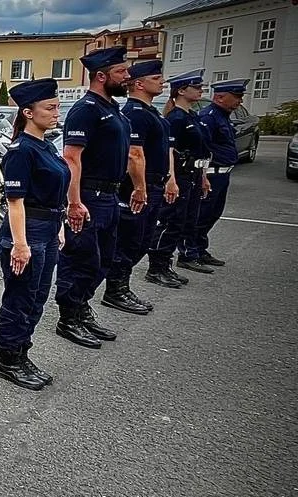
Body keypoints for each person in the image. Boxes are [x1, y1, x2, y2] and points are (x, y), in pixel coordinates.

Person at [55, 46, 133, 350]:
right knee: (81, 258)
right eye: (121, 72)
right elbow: (72, 158)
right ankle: (69, 316)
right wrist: (74, 202)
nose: (127, 76)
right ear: (101, 76)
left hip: (110, 196)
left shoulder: (112, 108)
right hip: (89, 194)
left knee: (103, 258)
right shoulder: (86, 110)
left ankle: (82, 306)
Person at [0, 78, 68, 391]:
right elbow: (15, 202)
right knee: (20, 298)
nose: (56, 112)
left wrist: (60, 226)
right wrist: (21, 244)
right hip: (28, 231)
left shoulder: (46, 145)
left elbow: (56, 192)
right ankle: (8, 359)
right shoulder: (22, 151)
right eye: (49, 107)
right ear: (27, 112)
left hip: (48, 228)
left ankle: (22, 351)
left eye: (56, 106)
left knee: (37, 297)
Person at [102, 59, 179, 315]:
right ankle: (116, 289)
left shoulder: (151, 113)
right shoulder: (135, 113)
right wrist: (140, 187)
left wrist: (169, 178)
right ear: (139, 83)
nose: (162, 82)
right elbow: (134, 154)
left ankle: (121, 286)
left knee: (142, 240)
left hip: (153, 185)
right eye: (156, 79)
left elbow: (164, 150)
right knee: (130, 240)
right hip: (139, 188)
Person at [146, 69, 211, 288]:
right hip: (179, 175)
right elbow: (170, 151)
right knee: (170, 221)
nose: (201, 90)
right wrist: (170, 180)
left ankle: (166, 265)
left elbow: (199, 151)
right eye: (196, 87)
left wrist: (203, 176)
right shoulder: (175, 118)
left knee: (183, 221)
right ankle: (156, 267)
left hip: (192, 174)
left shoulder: (191, 116)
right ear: (182, 91)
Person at [183, 78, 247, 272]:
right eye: (236, 96)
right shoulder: (209, 116)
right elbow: (201, 148)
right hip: (210, 173)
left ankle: (200, 249)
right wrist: (202, 175)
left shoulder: (223, 116)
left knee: (212, 215)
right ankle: (188, 253)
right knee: (199, 215)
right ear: (220, 97)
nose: (240, 101)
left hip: (222, 174)